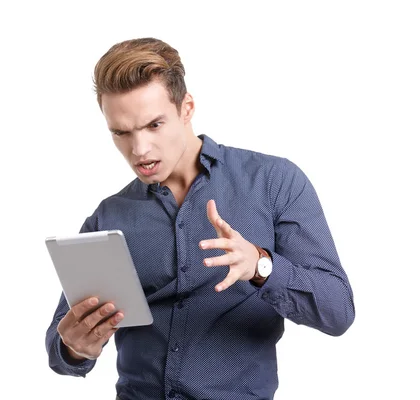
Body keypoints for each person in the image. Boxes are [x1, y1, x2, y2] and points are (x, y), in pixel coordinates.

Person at [45, 37, 355, 400]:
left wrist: (260, 266)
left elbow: (338, 311)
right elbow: (61, 346)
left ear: (186, 107)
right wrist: (75, 347)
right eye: (121, 132)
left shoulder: (273, 183)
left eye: (154, 125)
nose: (139, 149)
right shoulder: (108, 216)